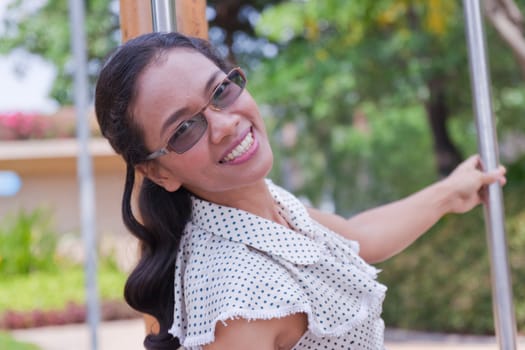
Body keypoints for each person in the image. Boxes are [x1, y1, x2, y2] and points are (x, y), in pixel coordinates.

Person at [94, 32, 506, 350]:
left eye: (221, 91)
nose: (224, 125)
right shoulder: (244, 295)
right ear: (157, 171)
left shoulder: (258, 208)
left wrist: (452, 192)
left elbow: (355, 235)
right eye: (184, 129)